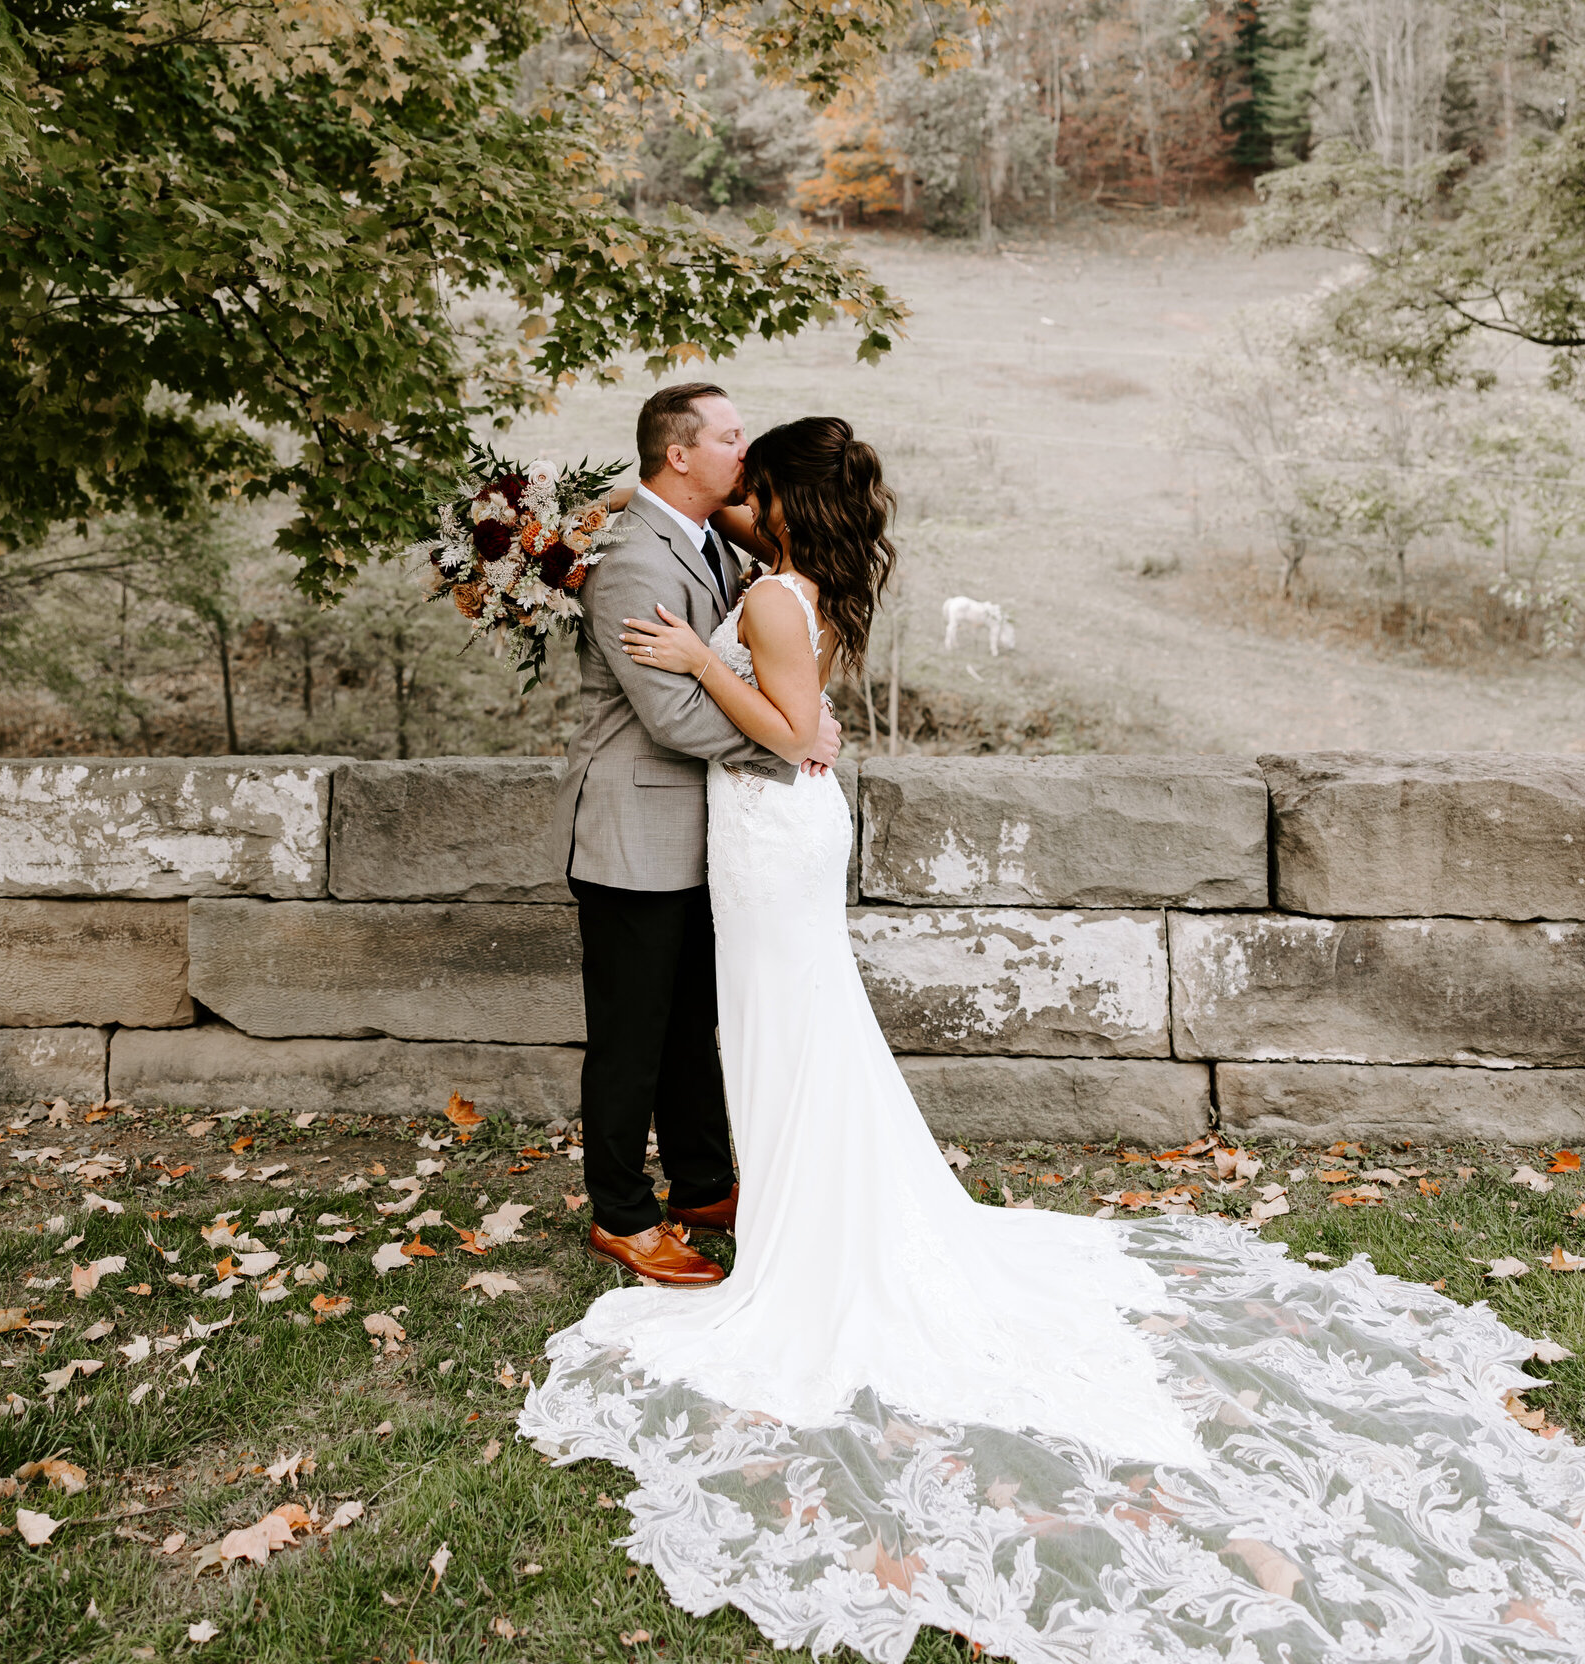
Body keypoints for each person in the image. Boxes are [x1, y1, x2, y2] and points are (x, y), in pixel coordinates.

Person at [527, 415, 1585, 1663]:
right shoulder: (778, 579)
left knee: (788, 1019)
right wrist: (663, 580)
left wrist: (704, 668)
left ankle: (800, 1215)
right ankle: (781, 1190)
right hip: (769, 836)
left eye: (754, 480)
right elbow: (797, 715)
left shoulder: (764, 595)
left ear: (780, 502)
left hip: (773, 828)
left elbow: (795, 730)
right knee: (786, 1020)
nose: (738, 491)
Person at [550, 381, 841, 1290]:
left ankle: (704, 1186)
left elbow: (796, 544)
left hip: (705, 829)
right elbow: (673, 716)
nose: (745, 452)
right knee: (632, 1035)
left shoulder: (709, 531)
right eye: (731, 437)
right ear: (680, 455)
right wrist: (790, 744)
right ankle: (622, 1215)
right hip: (633, 827)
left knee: (689, 1025)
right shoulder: (634, 562)